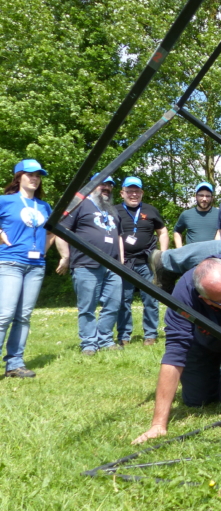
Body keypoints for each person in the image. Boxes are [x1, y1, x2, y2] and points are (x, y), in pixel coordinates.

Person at [132, 255, 221, 444]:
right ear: (206, 300)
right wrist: (158, 425)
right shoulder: (184, 292)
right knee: (196, 400)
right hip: (203, 340)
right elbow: (175, 351)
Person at [55, 174, 124, 355]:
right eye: (103, 184)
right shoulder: (79, 204)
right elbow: (62, 230)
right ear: (92, 185)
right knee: (87, 307)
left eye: (110, 185)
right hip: (86, 264)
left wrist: (121, 263)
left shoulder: (112, 210)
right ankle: (89, 344)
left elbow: (119, 237)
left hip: (113, 265)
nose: (107, 188)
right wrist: (65, 256)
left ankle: (105, 339)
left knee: (113, 304)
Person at [0, 160, 55, 378]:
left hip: (35, 266)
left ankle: (15, 364)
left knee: (23, 316)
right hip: (10, 262)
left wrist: (44, 251)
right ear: (18, 177)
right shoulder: (5, 201)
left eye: (38, 175)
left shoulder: (44, 206)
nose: (34, 178)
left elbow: (51, 232)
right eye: (30, 174)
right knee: (4, 315)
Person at [115, 176, 169, 346]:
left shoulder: (151, 210)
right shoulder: (114, 211)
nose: (133, 194)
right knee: (123, 300)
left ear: (142, 193)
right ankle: (124, 336)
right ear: (122, 193)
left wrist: (163, 255)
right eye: (129, 191)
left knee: (151, 299)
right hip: (124, 264)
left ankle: (151, 335)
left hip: (147, 263)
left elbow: (163, 232)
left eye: (137, 191)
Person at [173, 182, 220, 247]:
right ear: (196, 196)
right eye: (201, 195)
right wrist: (180, 250)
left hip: (213, 255)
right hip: (192, 255)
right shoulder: (186, 214)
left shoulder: (219, 214)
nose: (204, 199)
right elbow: (177, 231)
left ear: (212, 198)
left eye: (207, 196)